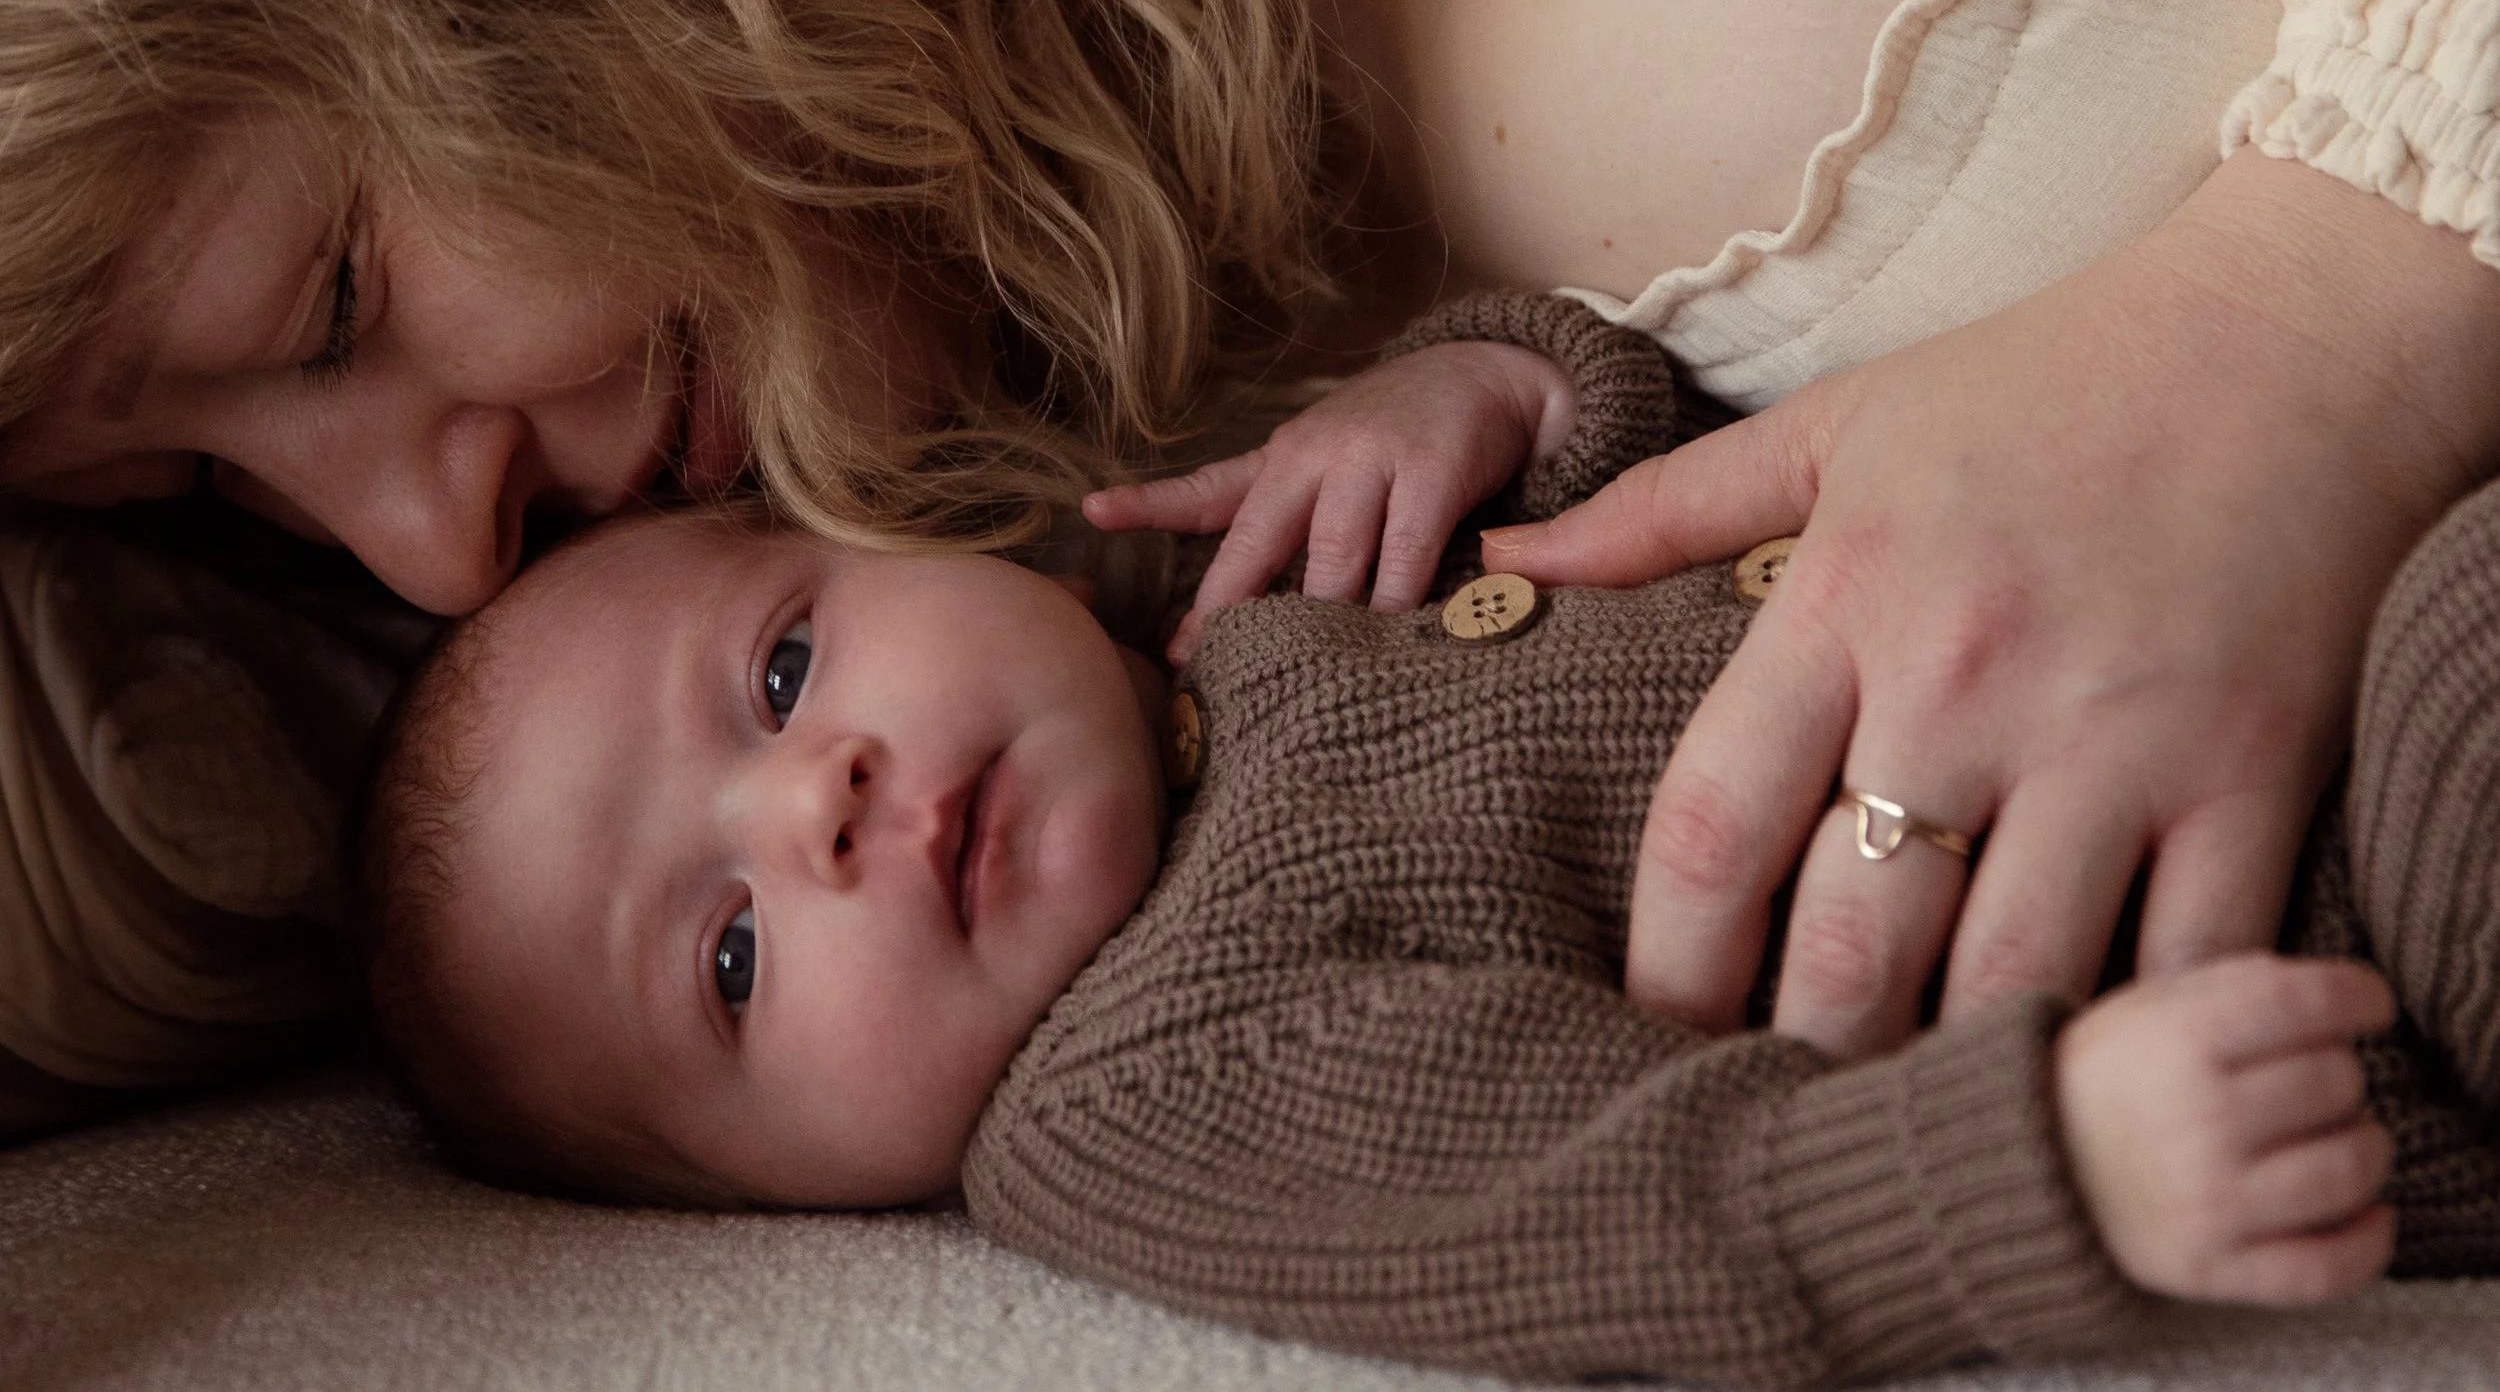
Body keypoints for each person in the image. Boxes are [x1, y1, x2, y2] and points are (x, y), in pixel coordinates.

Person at [14, 0, 2500, 1078]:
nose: (430, 555)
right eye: (207, 489)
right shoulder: (1021, 488)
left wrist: (2310, 311)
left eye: (330, 294)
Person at [357, 293, 2500, 1387]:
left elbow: (1684, 436)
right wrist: (2053, 1155)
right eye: (726, 957)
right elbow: (1630, 1211)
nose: (815, 801)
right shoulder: (1139, 1099)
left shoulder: (1194, 588)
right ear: (759, 1207)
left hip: (2244, 571)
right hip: (2314, 925)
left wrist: (1482, 382)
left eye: (782, 668)